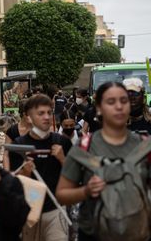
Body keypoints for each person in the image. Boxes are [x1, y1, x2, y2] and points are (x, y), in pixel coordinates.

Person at [56, 82, 143, 241]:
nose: (119, 106)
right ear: (99, 108)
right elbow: (62, 194)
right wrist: (86, 191)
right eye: (111, 102)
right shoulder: (84, 147)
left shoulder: (144, 146)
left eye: (124, 101)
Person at [9, 94, 72, 241]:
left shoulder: (62, 142)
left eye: (49, 113)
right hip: (29, 212)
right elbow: (13, 183)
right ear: (29, 117)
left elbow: (75, 178)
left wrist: (63, 159)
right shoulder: (18, 145)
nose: (47, 117)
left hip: (56, 210)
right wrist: (25, 171)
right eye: (41, 113)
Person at [3, 99, 31, 170]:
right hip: (15, 171)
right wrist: (7, 174)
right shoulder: (12, 131)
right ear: (24, 114)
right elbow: (6, 154)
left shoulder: (36, 130)